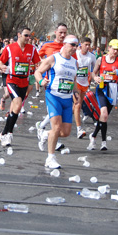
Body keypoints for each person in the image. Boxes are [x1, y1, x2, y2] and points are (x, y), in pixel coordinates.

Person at [35, 35, 79, 169]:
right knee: (56, 127)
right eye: (72, 44)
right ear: (65, 44)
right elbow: (38, 72)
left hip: (67, 98)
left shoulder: (75, 62)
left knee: (65, 132)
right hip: (53, 96)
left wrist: (76, 92)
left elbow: (74, 79)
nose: (74, 48)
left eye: (76, 45)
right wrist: (41, 81)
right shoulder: (54, 58)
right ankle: (50, 158)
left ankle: (45, 134)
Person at [0, 26, 41, 147]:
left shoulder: (32, 49)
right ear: (19, 35)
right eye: (26, 35)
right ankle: (8, 135)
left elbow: (38, 62)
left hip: (24, 83)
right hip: (12, 80)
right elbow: (0, 62)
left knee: (14, 110)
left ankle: (3, 132)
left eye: (29, 36)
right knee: (17, 105)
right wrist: (1, 67)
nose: (28, 38)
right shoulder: (9, 48)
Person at [87, 39, 118, 151]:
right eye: (114, 49)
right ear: (109, 48)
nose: (115, 52)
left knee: (104, 117)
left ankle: (94, 137)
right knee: (103, 113)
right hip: (102, 88)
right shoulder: (101, 59)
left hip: (113, 89)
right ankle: (103, 142)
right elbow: (93, 72)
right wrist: (96, 78)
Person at [73, 37, 96, 139]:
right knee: (78, 104)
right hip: (75, 82)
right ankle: (79, 129)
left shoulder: (91, 56)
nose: (87, 47)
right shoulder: (76, 54)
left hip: (85, 83)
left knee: (77, 105)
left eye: (89, 45)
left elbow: (95, 70)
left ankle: (67, 116)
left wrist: (94, 77)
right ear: (80, 44)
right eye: (85, 44)